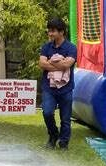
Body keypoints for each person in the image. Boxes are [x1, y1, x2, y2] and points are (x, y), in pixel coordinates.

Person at [39, 19, 77, 150]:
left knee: (65, 119)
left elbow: (67, 64)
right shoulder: (46, 47)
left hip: (66, 89)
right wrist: (59, 65)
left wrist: (50, 63)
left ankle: (64, 142)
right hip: (48, 88)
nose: (50, 33)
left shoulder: (71, 48)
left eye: (53, 31)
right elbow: (42, 64)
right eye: (49, 30)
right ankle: (53, 134)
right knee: (47, 113)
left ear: (62, 32)